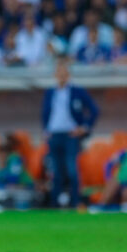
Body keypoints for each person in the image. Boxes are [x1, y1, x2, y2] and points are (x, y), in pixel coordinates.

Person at [41, 58, 99, 207]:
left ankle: (75, 203)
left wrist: (84, 127)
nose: (61, 75)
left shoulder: (77, 91)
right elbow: (45, 113)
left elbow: (94, 110)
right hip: (54, 135)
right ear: (55, 74)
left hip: (70, 135)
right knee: (56, 172)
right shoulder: (50, 92)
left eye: (64, 72)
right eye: (59, 72)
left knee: (72, 170)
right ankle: (54, 205)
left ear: (68, 74)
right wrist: (46, 130)